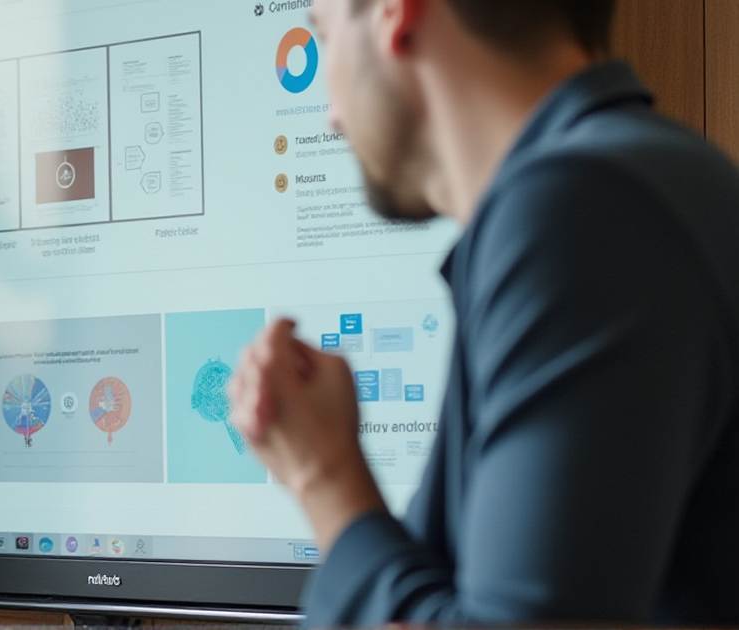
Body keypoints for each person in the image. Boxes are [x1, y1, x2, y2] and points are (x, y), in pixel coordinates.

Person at [229, 0, 739, 625]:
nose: (331, 115)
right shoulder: (642, 179)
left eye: (324, 34)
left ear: (394, 13)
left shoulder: (581, 206)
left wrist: (324, 478)